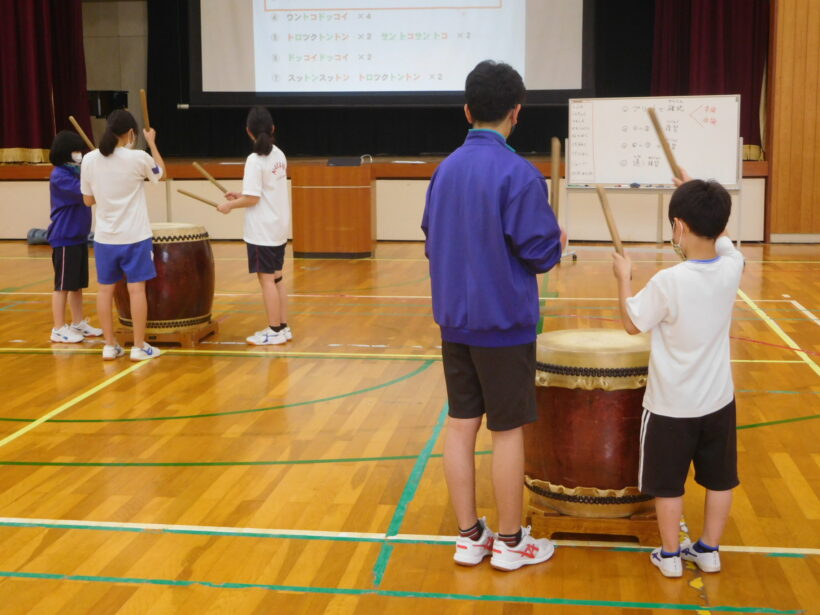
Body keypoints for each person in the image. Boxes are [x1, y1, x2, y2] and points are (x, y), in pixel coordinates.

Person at [422, 60, 566, 571]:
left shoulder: (444, 172)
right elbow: (541, 254)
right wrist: (557, 239)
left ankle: (469, 537)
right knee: (507, 430)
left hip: (455, 322)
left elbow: (431, 242)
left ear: (466, 110)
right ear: (516, 113)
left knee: (461, 424)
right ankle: (509, 542)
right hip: (503, 325)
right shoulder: (519, 175)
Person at [612, 170, 744, 578]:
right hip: (718, 401)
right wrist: (696, 195)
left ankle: (670, 556)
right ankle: (708, 550)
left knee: (668, 483)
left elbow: (633, 323)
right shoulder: (732, 267)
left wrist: (624, 279)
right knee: (720, 479)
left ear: (678, 226)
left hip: (670, 406)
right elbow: (721, 237)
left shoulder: (667, 281)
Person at [80, 109, 165, 361]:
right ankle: (139, 347)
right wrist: (152, 143)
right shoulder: (138, 157)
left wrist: (105, 192)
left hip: (105, 238)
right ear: (130, 134)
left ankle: (109, 345)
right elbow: (161, 173)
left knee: (105, 291)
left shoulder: (89, 159)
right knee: (136, 290)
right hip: (135, 236)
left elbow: (87, 200)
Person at [217, 107, 291, 345]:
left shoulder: (254, 160)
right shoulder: (279, 154)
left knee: (266, 279)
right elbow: (259, 192)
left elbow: (254, 199)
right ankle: (283, 327)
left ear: (248, 132)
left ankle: (274, 330)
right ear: (273, 129)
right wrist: (239, 195)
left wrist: (230, 206)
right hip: (278, 226)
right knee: (276, 278)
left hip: (262, 230)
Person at [47, 130, 103, 344]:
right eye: (75, 150)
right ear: (65, 152)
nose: (79, 154)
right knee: (62, 285)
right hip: (65, 237)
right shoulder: (60, 175)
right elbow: (87, 194)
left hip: (78, 237)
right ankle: (58, 328)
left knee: (76, 284)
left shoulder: (76, 171)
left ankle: (78, 322)